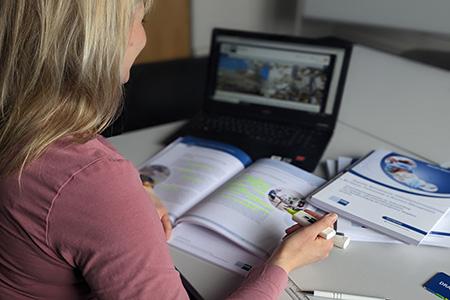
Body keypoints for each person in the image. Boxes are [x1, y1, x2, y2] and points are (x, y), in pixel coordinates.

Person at [0, 1, 337, 299]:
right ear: (102, 40)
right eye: (140, 20)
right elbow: (81, 190)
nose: (143, 38)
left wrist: (136, 192)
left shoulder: (24, 125)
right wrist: (283, 262)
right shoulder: (92, 181)